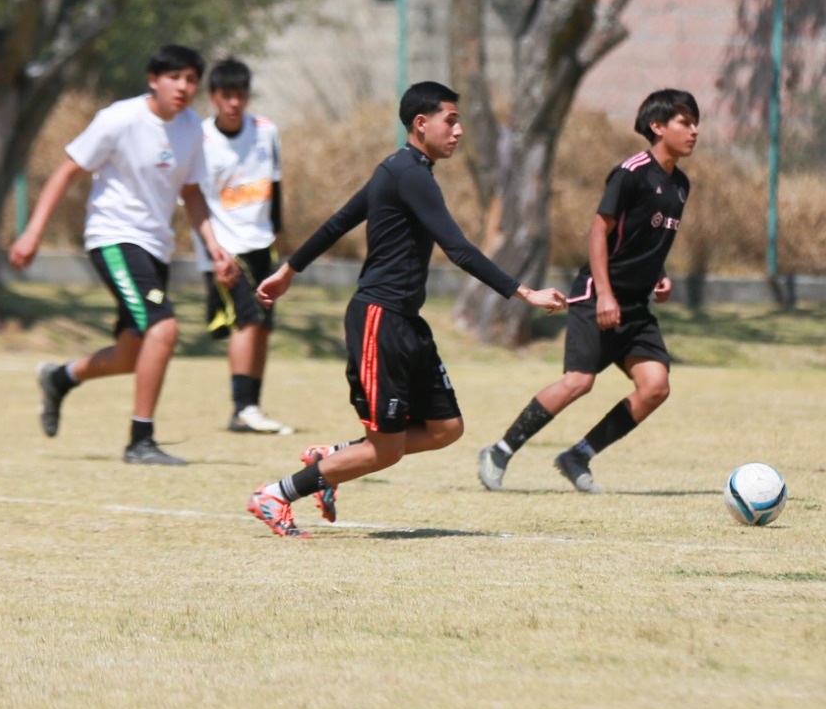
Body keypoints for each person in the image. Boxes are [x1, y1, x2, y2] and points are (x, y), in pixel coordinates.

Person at [248, 81, 568, 538]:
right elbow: (457, 249)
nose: (458, 131)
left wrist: (289, 269)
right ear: (422, 123)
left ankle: (332, 459)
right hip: (380, 320)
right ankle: (276, 495)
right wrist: (524, 293)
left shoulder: (401, 169)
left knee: (446, 428)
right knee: (386, 450)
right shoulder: (409, 173)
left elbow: (339, 222)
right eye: (451, 120)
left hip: (405, 323)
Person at [9, 45, 240, 466]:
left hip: (156, 247)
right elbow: (67, 171)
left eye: (191, 80)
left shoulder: (191, 128)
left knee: (131, 354)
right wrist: (32, 233)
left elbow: (191, 192)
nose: (184, 87)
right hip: (113, 238)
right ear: (154, 78)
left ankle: (60, 378)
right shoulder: (119, 118)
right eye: (176, 77)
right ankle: (140, 441)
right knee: (164, 328)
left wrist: (215, 248)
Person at [476, 89, 699, 494]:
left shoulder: (680, 185)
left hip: (637, 306)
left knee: (655, 387)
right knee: (579, 382)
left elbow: (643, 242)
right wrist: (607, 296)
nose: (694, 130)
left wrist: (661, 274)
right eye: (685, 121)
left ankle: (578, 455)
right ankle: (500, 450)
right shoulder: (630, 173)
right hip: (599, 296)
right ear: (657, 127)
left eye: (694, 122)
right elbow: (600, 231)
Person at [190, 58, 293, 435]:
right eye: (226, 96)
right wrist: (213, 252)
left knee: (262, 327)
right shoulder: (200, 139)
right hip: (225, 248)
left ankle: (252, 406)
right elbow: (192, 200)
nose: (234, 103)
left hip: (262, 243)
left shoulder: (266, 132)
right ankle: (242, 409)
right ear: (214, 98)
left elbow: (277, 186)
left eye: (240, 96)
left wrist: (279, 241)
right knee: (246, 321)